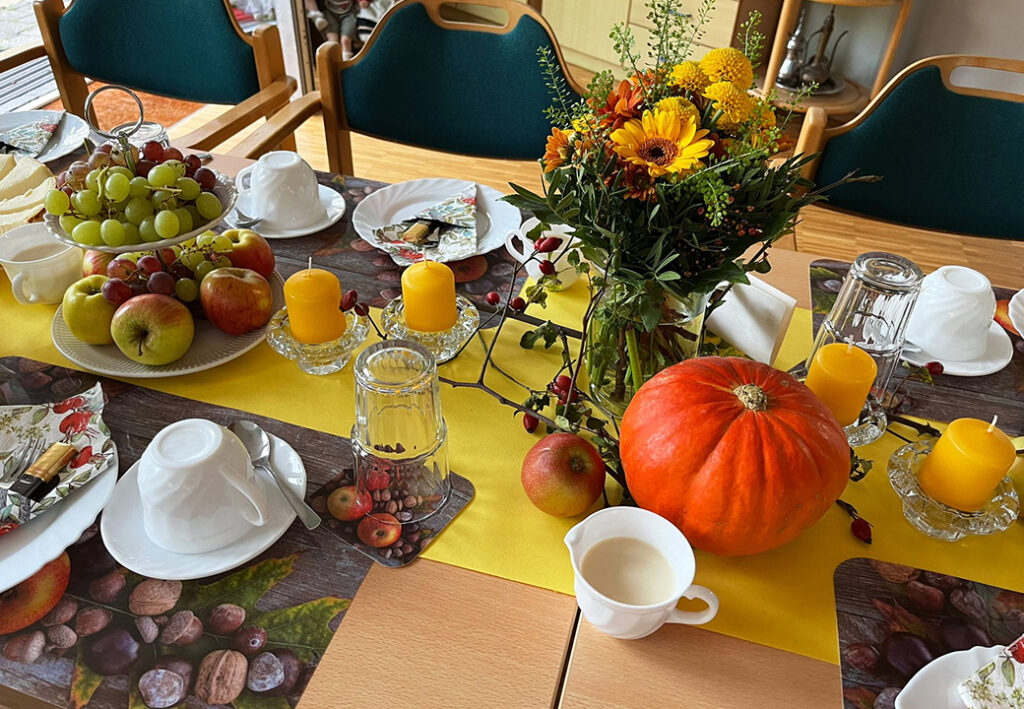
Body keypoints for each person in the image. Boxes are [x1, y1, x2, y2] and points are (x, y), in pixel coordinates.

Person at [306, 0, 370, 60]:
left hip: (349, 14)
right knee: (333, 42)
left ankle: (346, 64)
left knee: (345, 41)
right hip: (329, 13)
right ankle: (334, 65)